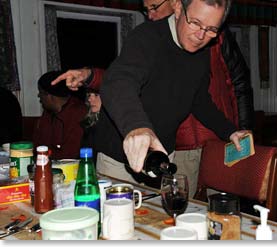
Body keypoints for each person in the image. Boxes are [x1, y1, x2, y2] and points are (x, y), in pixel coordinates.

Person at [52, 0, 247, 190]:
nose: (201, 36)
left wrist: (230, 131)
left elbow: (200, 101)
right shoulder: (147, 37)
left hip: (162, 157)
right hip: (119, 160)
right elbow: (117, 81)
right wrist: (137, 127)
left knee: (159, 222)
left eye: (211, 29)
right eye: (195, 23)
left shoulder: (202, 53)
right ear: (178, 8)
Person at [143, 0, 254, 196]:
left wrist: (239, 128)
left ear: (176, 4)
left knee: (218, 207)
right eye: (146, 10)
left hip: (218, 137)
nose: (150, 15)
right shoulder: (154, 40)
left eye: (154, 8)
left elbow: (239, 83)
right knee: (178, 207)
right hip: (181, 144)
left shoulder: (217, 36)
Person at [33, 71, 87, 160]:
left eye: (41, 92)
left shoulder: (78, 113)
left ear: (49, 95)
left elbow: (70, 155)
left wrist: (45, 154)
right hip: (47, 165)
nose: (39, 96)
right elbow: (37, 145)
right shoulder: (48, 113)